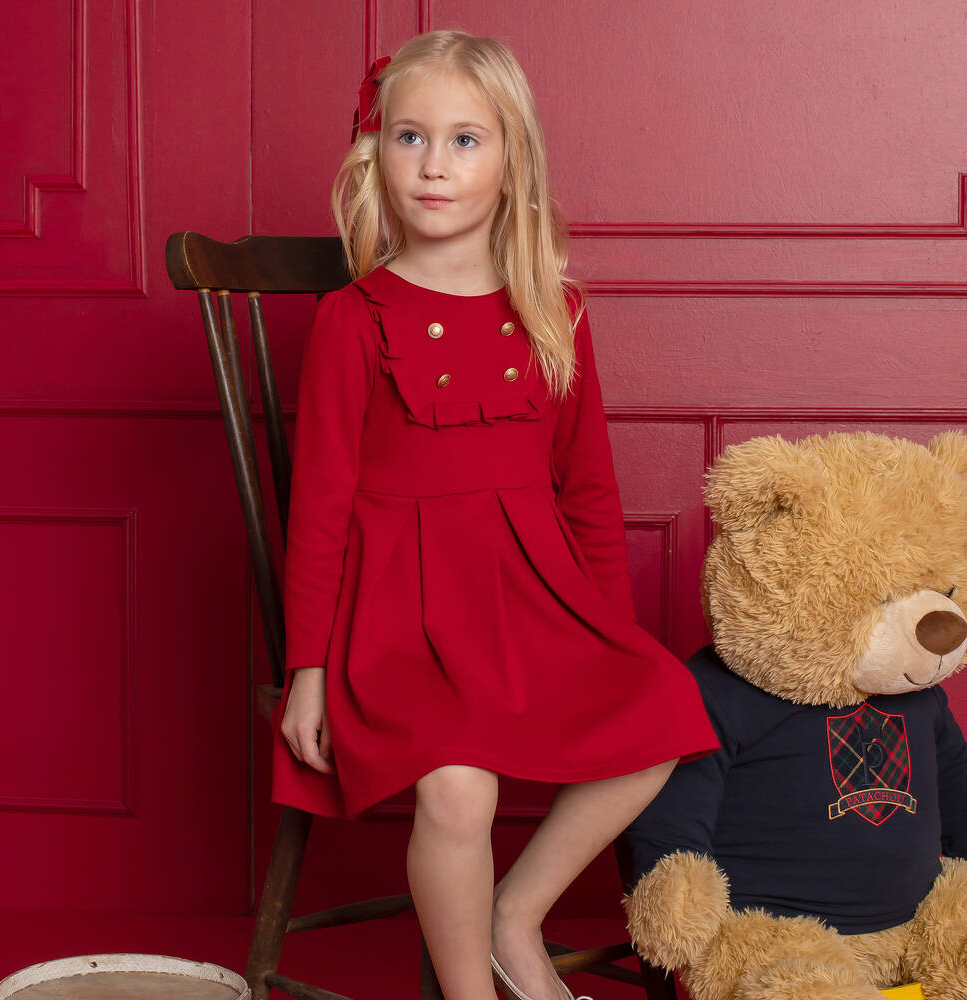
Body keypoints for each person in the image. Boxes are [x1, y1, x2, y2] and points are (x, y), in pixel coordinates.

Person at [274, 30, 718, 1000]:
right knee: (457, 786)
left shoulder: (553, 311)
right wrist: (307, 670)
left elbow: (587, 491)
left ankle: (513, 918)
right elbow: (319, 507)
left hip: (528, 599)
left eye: (465, 140)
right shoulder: (355, 319)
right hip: (396, 617)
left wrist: (607, 633)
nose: (433, 165)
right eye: (409, 137)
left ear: (512, 159)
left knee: (663, 711)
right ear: (376, 152)